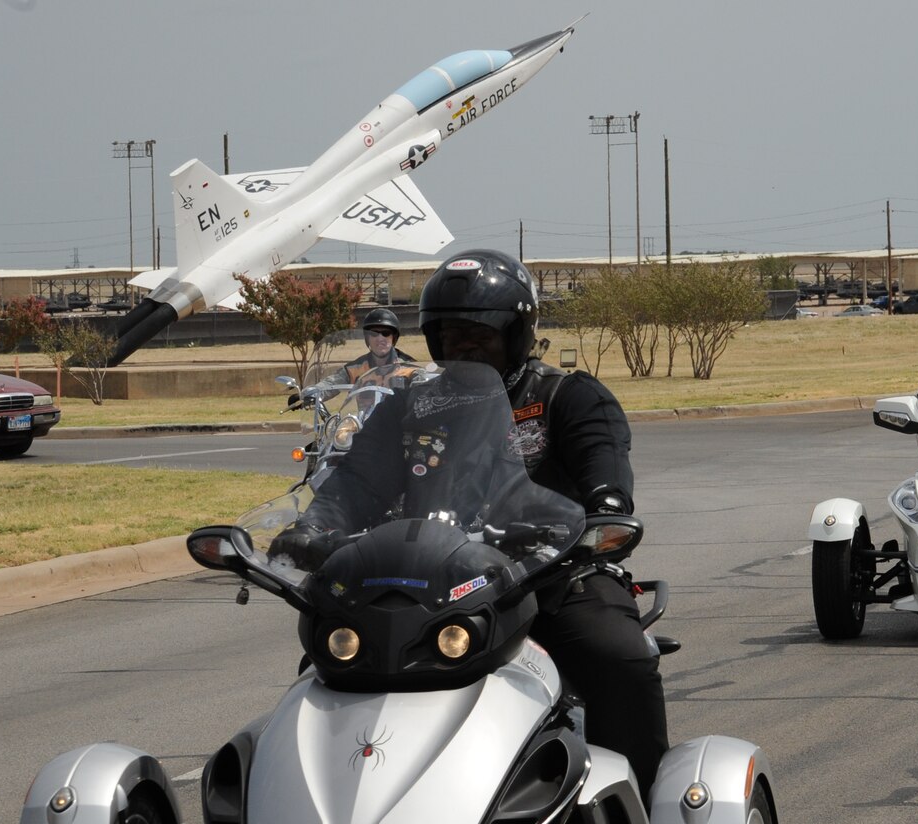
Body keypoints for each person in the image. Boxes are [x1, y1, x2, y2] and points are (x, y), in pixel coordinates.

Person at [271, 249, 668, 794]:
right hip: (427, 582)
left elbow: (604, 470)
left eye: (481, 334)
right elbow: (355, 483)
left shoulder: (566, 396)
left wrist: (604, 509)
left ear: (518, 333)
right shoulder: (409, 403)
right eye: (451, 335)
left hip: (550, 578)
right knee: (326, 668)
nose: (464, 346)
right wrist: (314, 527)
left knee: (617, 658)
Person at [289, 307, 422, 408]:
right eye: (374, 334)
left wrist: (425, 387)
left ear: (393, 338)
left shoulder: (408, 368)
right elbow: (331, 383)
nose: (380, 338)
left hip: (398, 430)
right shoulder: (355, 369)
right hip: (364, 429)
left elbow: (425, 382)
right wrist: (308, 394)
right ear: (367, 339)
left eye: (386, 333)